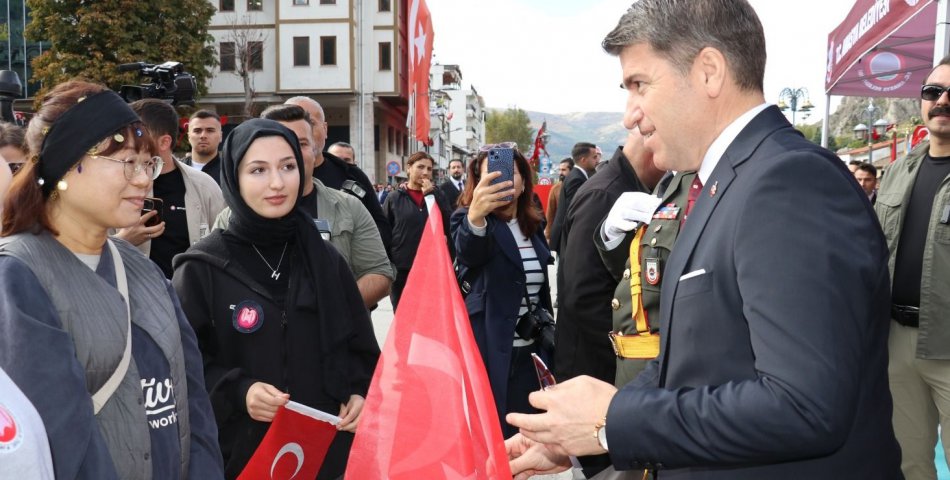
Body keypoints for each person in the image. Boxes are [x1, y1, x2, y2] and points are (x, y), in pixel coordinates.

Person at [506, 1, 901, 479]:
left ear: (709, 72)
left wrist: (611, 423)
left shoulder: (788, 184)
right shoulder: (723, 182)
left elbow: (803, 406)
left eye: (638, 85)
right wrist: (578, 434)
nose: (631, 115)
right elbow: (696, 366)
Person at [0, 80, 223, 479]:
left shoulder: (144, 270)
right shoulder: (18, 274)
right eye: (127, 163)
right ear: (68, 165)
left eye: (147, 163)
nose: (143, 180)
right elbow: (60, 437)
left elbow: (193, 402)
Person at [172, 118, 379, 479]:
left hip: (326, 455)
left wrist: (360, 393)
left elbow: (361, 351)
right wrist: (239, 390)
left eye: (287, 166)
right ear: (234, 177)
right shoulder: (202, 267)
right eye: (258, 170)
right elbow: (183, 366)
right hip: (239, 456)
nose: (277, 183)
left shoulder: (325, 258)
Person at [213, 104, 393, 309]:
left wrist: (332, 311)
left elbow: (379, 273)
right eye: (283, 143)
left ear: (315, 149)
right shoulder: (229, 219)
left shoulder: (349, 207)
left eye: (302, 143)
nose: (293, 152)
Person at [875, 54, 950, 480]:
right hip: (896, 343)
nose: (942, 100)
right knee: (907, 463)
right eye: (933, 92)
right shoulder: (898, 171)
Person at [451, 145, 552, 438]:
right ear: (478, 183)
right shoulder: (467, 219)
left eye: (510, 174)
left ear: (523, 184)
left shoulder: (533, 223)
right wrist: (476, 217)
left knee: (527, 438)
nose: (502, 180)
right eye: (490, 176)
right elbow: (469, 254)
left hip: (531, 351)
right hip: (488, 349)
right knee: (491, 436)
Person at [597, 169, 696, 389]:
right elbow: (641, 270)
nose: (638, 132)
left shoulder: (699, 183)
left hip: (665, 375)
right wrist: (612, 235)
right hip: (636, 371)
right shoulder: (669, 180)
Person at [114, 99, 225, 279]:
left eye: (138, 135)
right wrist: (123, 241)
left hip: (189, 301)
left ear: (164, 142)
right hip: (133, 299)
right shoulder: (117, 185)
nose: (129, 142)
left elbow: (225, 248)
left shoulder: (204, 186)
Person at [285, 96, 392, 253]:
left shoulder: (352, 177)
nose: (302, 132)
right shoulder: (267, 180)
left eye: (310, 123)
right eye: (290, 127)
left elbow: (381, 230)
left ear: (325, 129)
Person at [382, 151, 452, 309]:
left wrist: (431, 195)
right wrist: (388, 266)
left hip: (432, 268)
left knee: (429, 317)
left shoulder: (438, 195)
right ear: (408, 168)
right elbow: (384, 232)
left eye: (429, 169)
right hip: (402, 269)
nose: (425, 172)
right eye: (420, 167)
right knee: (403, 316)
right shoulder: (394, 198)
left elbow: (448, 225)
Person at [548, 142, 600, 254]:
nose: (597, 160)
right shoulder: (576, 179)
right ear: (583, 159)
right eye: (594, 157)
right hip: (567, 236)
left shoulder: (577, 176)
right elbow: (574, 211)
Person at [186, 110, 223, 185]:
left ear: (220, 136)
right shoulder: (177, 169)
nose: (203, 136)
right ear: (189, 137)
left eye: (210, 131)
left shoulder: (230, 172)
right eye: (197, 131)